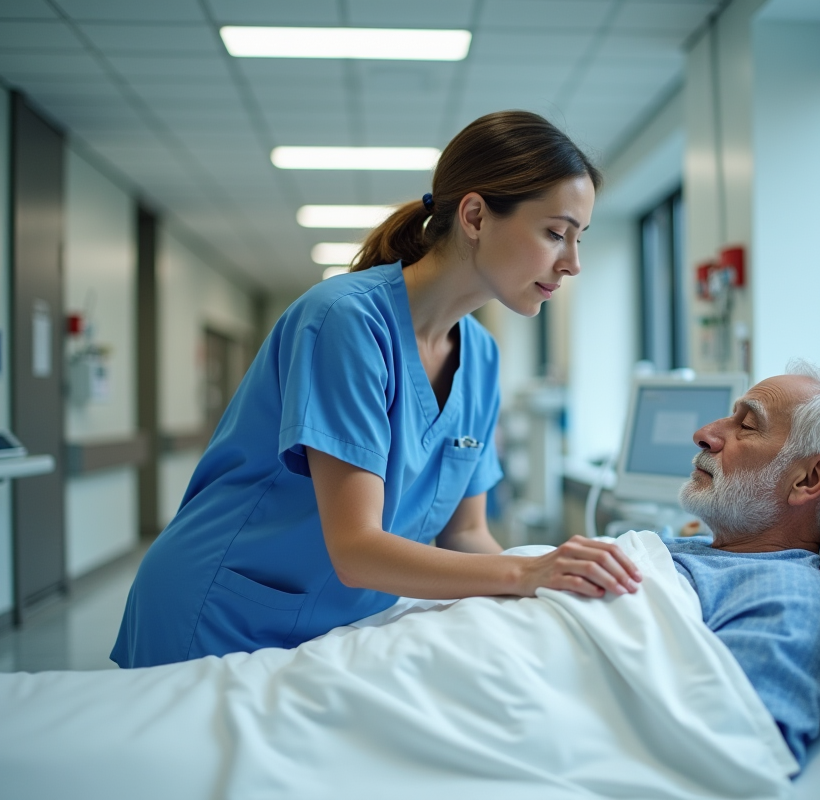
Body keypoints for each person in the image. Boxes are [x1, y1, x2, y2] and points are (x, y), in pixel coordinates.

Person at [112, 111, 642, 669]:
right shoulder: (346, 320)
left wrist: (545, 593)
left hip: (334, 624)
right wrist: (527, 570)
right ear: (476, 215)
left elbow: (464, 534)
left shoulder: (482, 358)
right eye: (556, 233)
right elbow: (356, 549)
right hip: (222, 610)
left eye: (580, 239)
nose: (574, 263)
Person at [668, 360, 820, 766]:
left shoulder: (784, 600)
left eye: (747, 426)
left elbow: (730, 760)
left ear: (808, 479)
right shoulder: (692, 551)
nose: (704, 434)